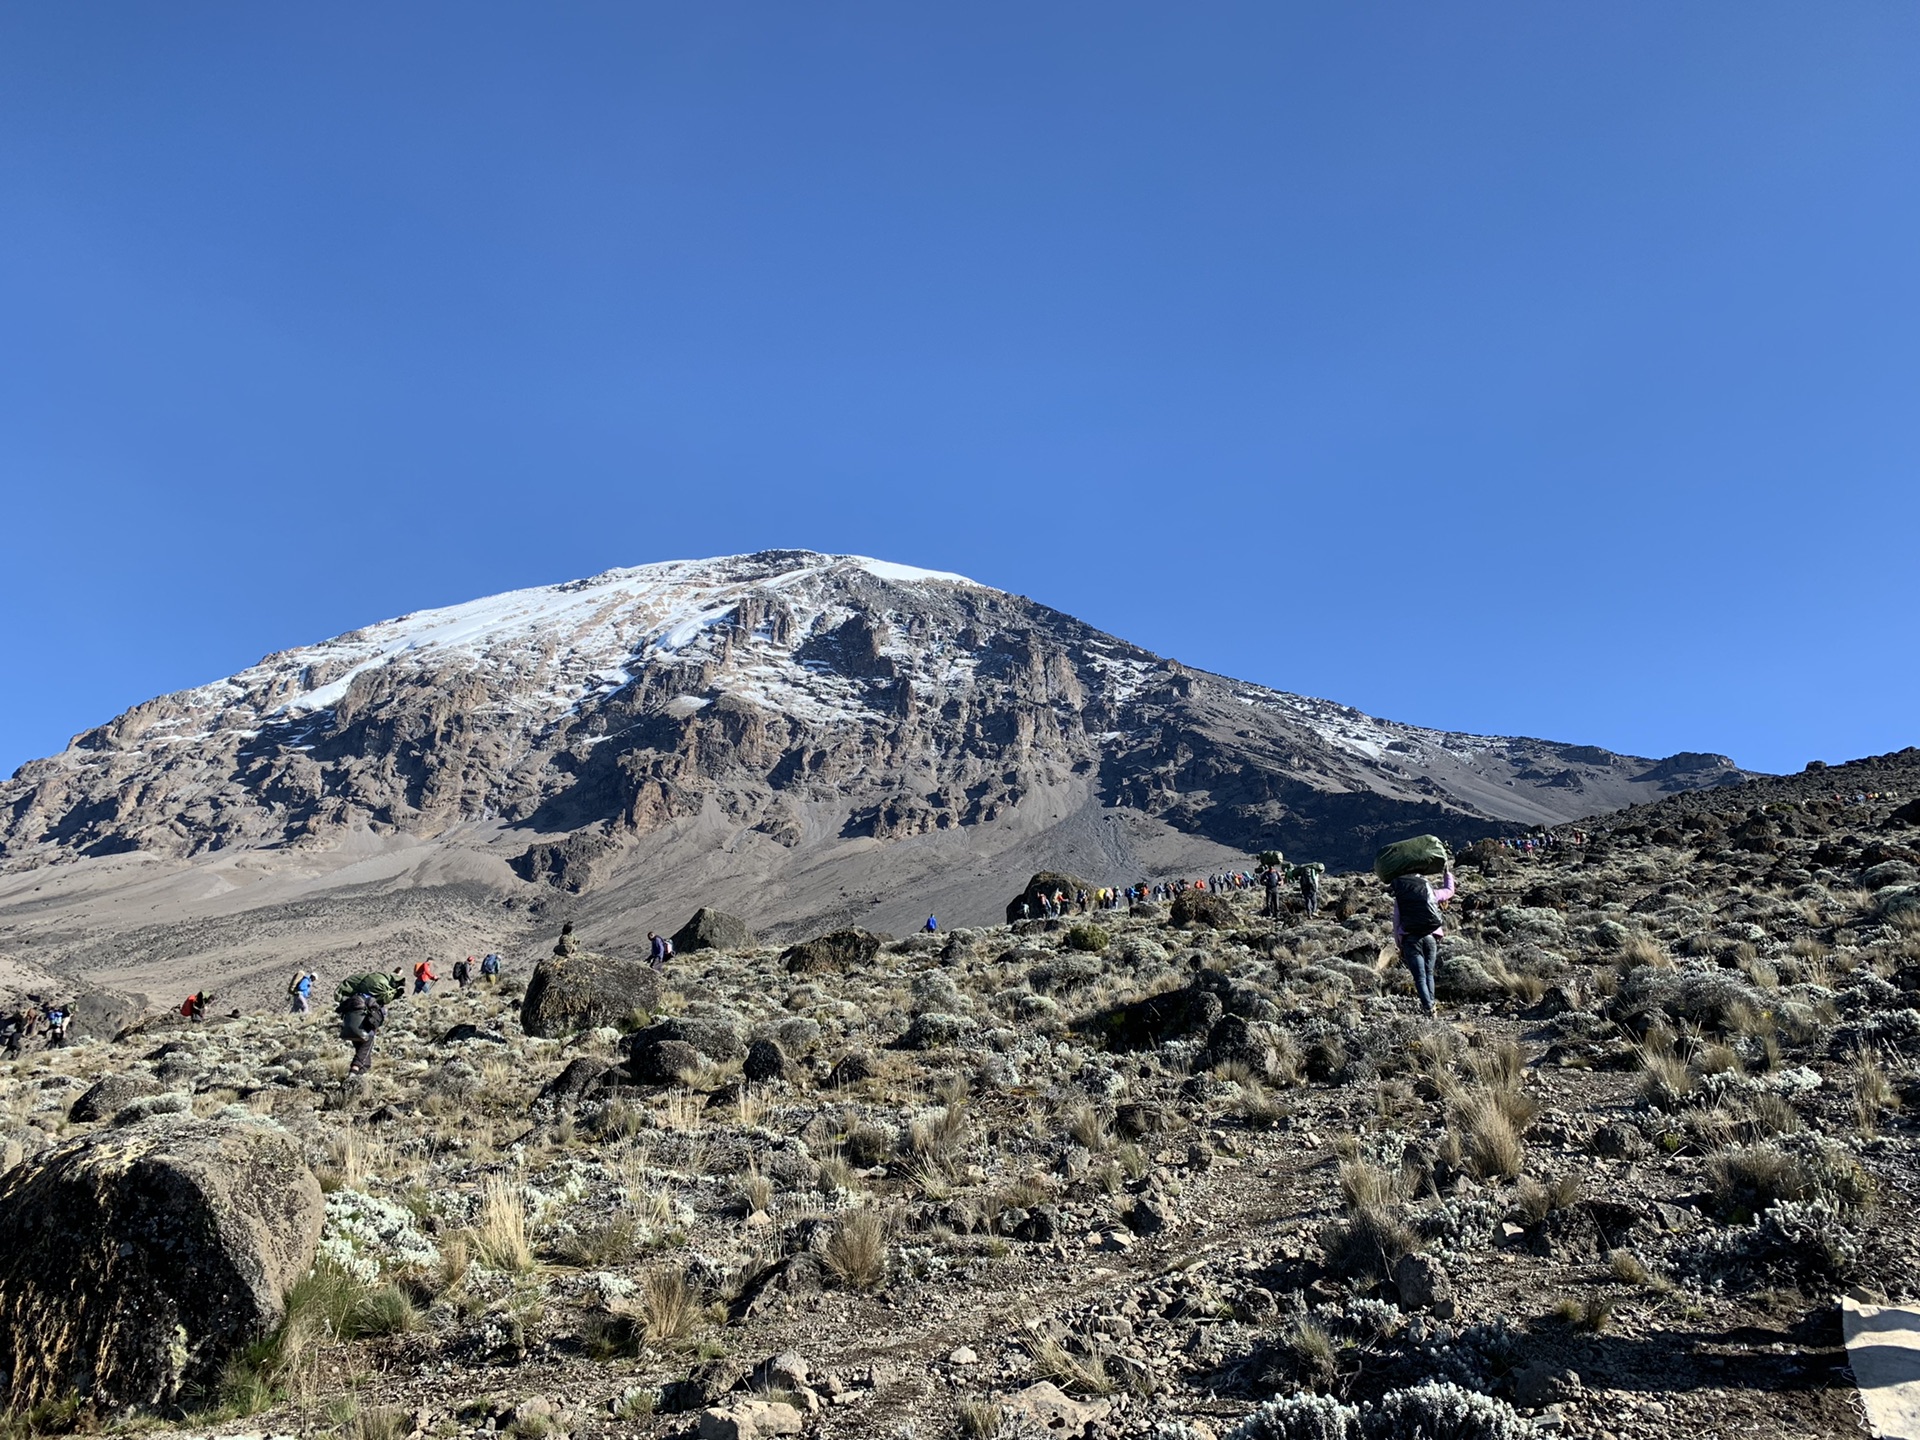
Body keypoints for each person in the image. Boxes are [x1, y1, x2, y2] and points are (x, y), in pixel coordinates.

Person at [1389, 866, 1456, 1018]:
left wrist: (1399, 943)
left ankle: (1428, 1008)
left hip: (1411, 939)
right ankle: (1431, 1006)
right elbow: (1449, 891)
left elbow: (1396, 922)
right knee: (1429, 974)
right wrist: (1447, 874)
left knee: (1419, 977)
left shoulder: (1401, 898)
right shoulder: (1431, 892)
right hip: (1430, 937)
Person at [338, 986, 387, 1075]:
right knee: (360, 1058)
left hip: (352, 1033)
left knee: (366, 1062)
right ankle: (352, 1075)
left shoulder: (352, 999)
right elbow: (382, 1014)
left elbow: (339, 1010)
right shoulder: (371, 1000)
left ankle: (358, 1078)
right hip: (367, 1034)